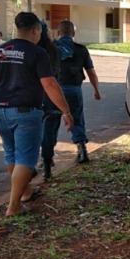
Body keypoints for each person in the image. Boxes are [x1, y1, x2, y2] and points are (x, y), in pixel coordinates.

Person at [0, 12, 73, 217]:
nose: (39, 36)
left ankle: (24, 193)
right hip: (26, 113)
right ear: (34, 30)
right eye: (39, 32)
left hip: (1, 111)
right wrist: (66, 111)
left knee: (11, 154)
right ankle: (13, 206)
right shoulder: (37, 53)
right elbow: (49, 84)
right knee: (26, 159)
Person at [54, 20, 101, 164]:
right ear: (73, 33)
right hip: (74, 90)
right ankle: (82, 149)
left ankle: (47, 157)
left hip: (53, 90)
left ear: (58, 33)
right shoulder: (81, 49)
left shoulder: (52, 48)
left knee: (50, 121)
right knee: (77, 119)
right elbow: (91, 72)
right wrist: (96, 90)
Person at [38, 22, 62, 181]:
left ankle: (42, 162)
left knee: (35, 133)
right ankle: (48, 161)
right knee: (50, 132)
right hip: (51, 97)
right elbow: (55, 75)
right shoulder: (54, 50)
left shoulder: (30, 51)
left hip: (33, 98)